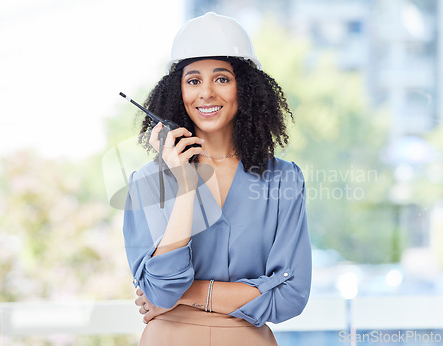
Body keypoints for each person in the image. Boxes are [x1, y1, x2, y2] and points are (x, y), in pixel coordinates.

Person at [122, 12, 312, 345]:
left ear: (245, 88)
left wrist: (186, 295)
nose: (206, 93)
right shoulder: (148, 182)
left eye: (221, 79)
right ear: (178, 91)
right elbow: (161, 288)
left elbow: (290, 295)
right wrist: (183, 183)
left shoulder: (283, 180)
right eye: (193, 80)